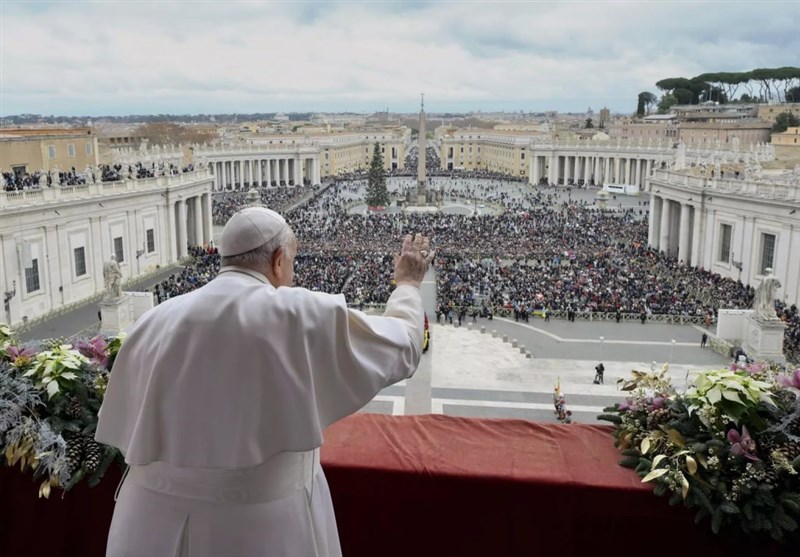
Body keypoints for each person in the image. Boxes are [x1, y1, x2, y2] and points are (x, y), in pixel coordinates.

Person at [95, 207, 434, 557]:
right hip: (260, 528)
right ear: (277, 260)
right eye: (292, 263)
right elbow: (404, 346)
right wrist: (408, 284)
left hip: (148, 524)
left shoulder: (151, 322)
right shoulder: (297, 313)